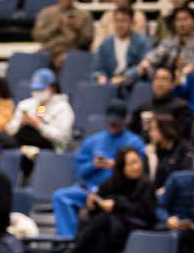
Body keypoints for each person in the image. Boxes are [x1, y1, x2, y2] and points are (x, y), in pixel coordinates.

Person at [50, 102, 146, 239]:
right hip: (90, 189)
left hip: (119, 192)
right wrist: (93, 165)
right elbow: (78, 171)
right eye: (110, 121)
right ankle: (67, 239)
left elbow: (140, 171)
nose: (113, 124)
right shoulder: (93, 141)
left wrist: (117, 166)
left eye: (116, 121)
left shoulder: (135, 142)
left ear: (124, 120)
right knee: (61, 196)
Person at [67, 147, 155, 253]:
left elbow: (147, 213)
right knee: (100, 230)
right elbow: (99, 200)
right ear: (122, 167)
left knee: (105, 220)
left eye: (137, 162)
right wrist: (93, 205)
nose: (136, 167)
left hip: (136, 225)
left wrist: (116, 205)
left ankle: (76, 248)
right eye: (131, 164)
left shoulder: (146, 185)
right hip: (112, 226)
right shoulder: (111, 183)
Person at [138, 7, 194, 85]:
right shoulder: (169, 42)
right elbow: (155, 55)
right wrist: (146, 62)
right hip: (170, 83)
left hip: (193, 82)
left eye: (185, 19)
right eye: (178, 20)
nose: (181, 23)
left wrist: (186, 70)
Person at [4, 69, 74, 153]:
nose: (37, 93)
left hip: (50, 145)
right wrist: (20, 123)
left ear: (52, 88)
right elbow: (9, 129)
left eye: (41, 89)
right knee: (2, 136)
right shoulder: (25, 104)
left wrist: (38, 125)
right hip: (23, 138)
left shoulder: (63, 108)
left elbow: (63, 137)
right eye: (35, 90)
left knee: (29, 130)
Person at [32, 0, 93, 68]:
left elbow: (87, 41)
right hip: (49, 51)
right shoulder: (47, 13)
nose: (67, 0)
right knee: (28, 60)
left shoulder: (84, 16)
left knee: (66, 60)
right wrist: (56, 25)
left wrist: (76, 28)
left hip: (73, 52)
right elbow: (37, 36)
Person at [92, 7, 151, 89]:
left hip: (133, 84)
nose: (120, 25)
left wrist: (124, 78)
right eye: (117, 21)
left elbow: (144, 65)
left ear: (131, 23)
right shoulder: (106, 43)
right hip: (110, 83)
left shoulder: (142, 42)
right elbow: (98, 67)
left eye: (124, 21)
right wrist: (101, 77)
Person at [129, 66, 192, 139]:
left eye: (164, 79)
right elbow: (133, 133)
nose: (160, 83)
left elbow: (184, 135)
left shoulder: (182, 108)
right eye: (157, 79)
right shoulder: (143, 107)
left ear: (172, 84)